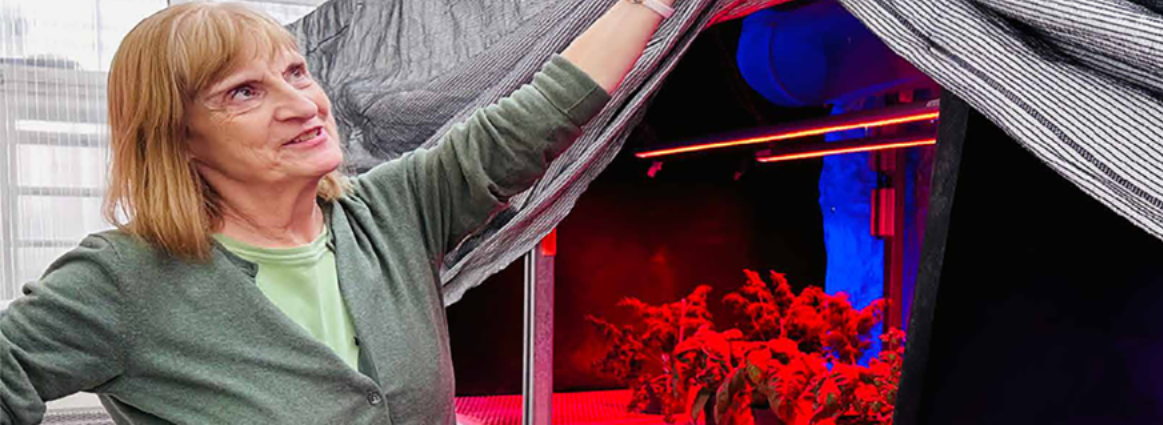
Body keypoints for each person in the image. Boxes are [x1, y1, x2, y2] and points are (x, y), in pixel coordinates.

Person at [0, 0, 676, 423]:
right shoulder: (122, 281)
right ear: (177, 137)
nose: (301, 104)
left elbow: (534, 118)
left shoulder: (394, 208)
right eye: (244, 92)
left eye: (297, 73)